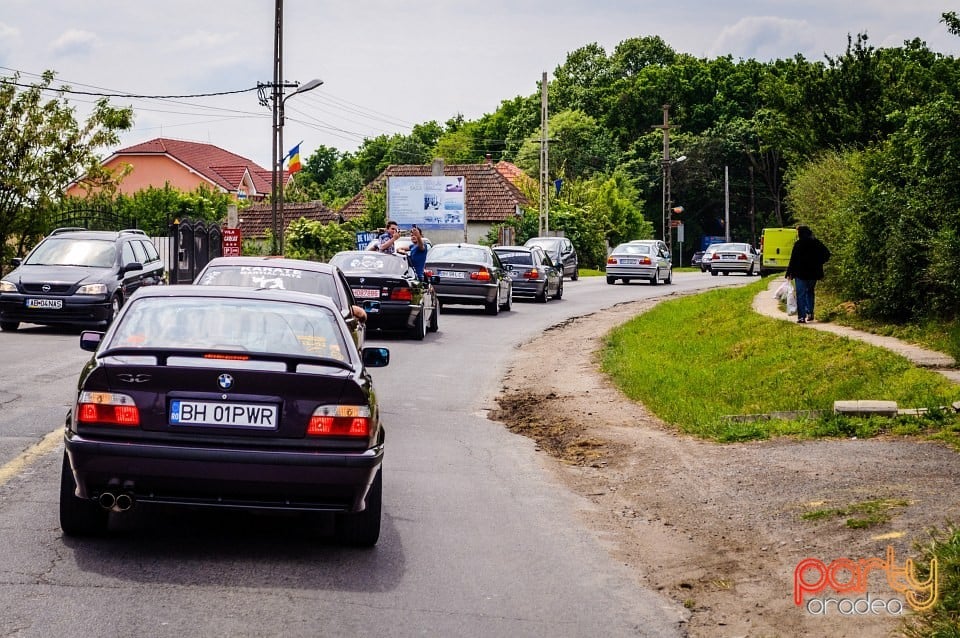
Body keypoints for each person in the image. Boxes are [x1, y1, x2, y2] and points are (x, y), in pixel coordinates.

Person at [785, 225, 830, 324]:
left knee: (801, 294)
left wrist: (789, 273)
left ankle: (801, 317)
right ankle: (810, 312)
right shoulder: (816, 243)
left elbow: (793, 260)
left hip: (800, 273)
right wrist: (819, 262)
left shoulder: (798, 244)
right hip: (813, 273)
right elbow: (827, 254)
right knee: (810, 291)